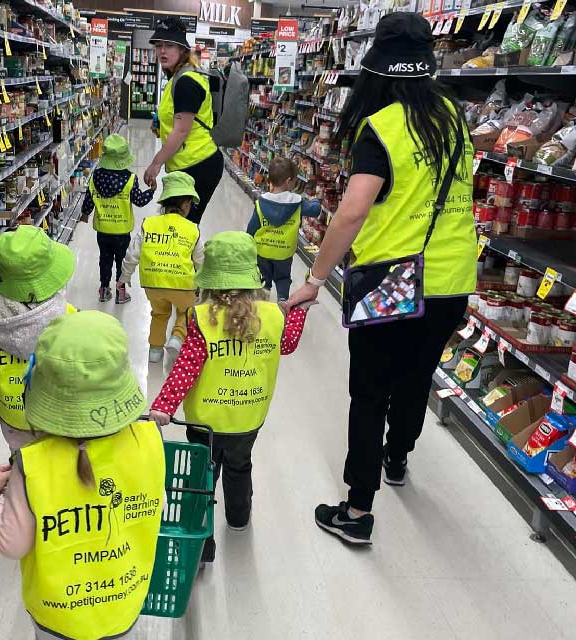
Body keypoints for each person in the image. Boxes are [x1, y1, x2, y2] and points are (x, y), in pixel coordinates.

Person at [286, 12, 477, 545]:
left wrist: (314, 278)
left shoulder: (384, 126)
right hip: (453, 276)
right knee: (417, 376)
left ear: (379, 67)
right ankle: (398, 458)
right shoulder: (454, 116)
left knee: (369, 393)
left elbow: (351, 213)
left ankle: (356, 509)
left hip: (393, 279)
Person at [0, 311, 166, 640]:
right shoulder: (149, 441)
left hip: (57, 615)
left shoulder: (30, 465)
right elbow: (155, 506)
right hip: (124, 603)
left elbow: (12, 542)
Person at [149, 231, 311, 563]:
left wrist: (164, 406)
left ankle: (201, 542)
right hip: (248, 418)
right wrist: (298, 310)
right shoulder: (271, 316)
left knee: (201, 477)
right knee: (240, 467)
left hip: (206, 424)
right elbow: (289, 343)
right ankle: (238, 519)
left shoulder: (203, 320)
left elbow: (186, 369)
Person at [0, 226, 77, 452]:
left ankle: (19, 483)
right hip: (51, 412)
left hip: (12, 416)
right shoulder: (68, 315)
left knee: (20, 462)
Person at [144, 16, 223, 225]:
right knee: (178, 227)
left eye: (169, 45)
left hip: (198, 165)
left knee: (182, 230)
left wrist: (155, 163)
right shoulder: (179, 77)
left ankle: (187, 259)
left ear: (182, 49)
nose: (162, 51)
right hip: (188, 164)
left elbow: (181, 131)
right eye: (159, 45)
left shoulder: (187, 81)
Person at [119, 171, 204, 364]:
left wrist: (124, 278)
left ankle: (155, 351)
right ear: (185, 204)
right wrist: (204, 282)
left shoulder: (149, 223)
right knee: (186, 311)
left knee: (159, 313)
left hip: (153, 283)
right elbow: (201, 260)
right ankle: (177, 337)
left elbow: (133, 254)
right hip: (182, 283)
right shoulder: (192, 228)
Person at [81, 133, 155, 304]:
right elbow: (140, 201)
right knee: (121, 260)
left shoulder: (95, 177)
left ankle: (104, 289)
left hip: (103, 229)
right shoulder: (130, 179)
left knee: (105, 259)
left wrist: (85, 214)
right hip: (121, 231)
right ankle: (120, 292)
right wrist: (151, 191)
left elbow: (89, 200)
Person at [247, 157, 322, 301]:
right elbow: (315, 210)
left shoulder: (261, 203)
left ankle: (262, 303)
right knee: (282, 278)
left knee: (263, 280)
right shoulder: (297, 203)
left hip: (262, 251)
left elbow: (251, 230)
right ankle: (282, 302)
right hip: (284, 253)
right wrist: (316, 200)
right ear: (289, 181)